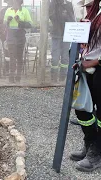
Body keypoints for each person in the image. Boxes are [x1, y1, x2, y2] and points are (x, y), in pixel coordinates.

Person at [69, 0, 101, 172]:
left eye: (89, 6)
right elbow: (88, 45)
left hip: (98, 69)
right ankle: (90, 143)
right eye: (86, 6)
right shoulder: (94, 15)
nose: (87, 9)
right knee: (82, 109)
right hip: (87, 68)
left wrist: (95, 61)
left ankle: (97, 151)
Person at [4, 0, 32, 83]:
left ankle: (18, 76)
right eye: (13, 1)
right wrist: (8, 21)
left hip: (20, 35)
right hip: (11, 35)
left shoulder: (25, 11)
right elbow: (4, 24)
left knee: (19, 57)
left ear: (20, 2)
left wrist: (20, 21)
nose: (14, 3)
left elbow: (30, 25)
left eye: (17, 1)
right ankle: (11, 77)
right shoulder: (8, 10)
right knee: (12, 57)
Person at [49, 0, 75, 82]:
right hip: (56, 35)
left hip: (66, 35)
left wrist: (66, 16)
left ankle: (62, 77)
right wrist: (61, 15)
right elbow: (51, 16)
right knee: (55, 58)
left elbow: (72, 19)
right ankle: (53, 77)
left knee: (65, 58)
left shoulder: (69, 4)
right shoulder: (53, 3)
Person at [0, 0, 13, 76]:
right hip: (5, 35)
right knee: (6, 52)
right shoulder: (3, 11)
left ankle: (14, 69)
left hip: (16, 35)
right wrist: (0, 33)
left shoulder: (18, 10)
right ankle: (7, 69)